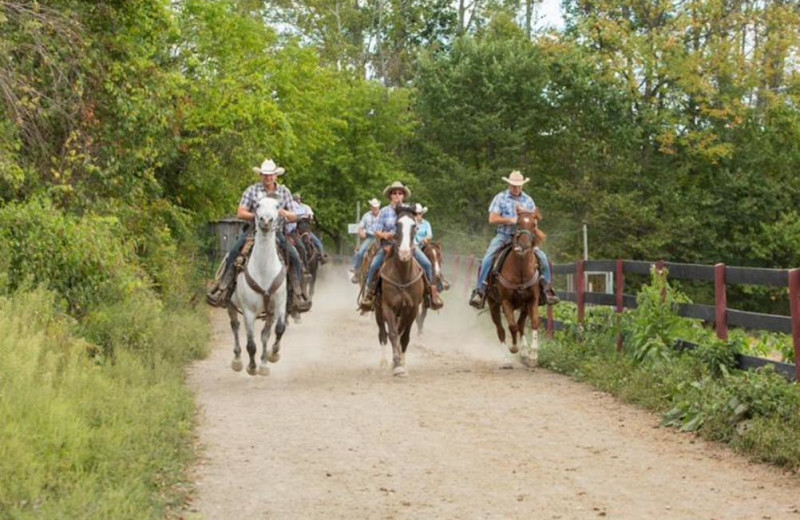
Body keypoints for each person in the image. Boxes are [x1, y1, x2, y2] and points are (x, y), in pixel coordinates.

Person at [209, 158, 311, 314]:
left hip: (277, 231)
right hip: (254, 231)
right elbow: (240, 212)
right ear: (261, 175)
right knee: (234, 252)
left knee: (295, 256)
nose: (268, 178)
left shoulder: (284, 192)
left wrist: (282, 213)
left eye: (271, 175)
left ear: (276, 176)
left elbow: (295, 215)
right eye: (265, 175)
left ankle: (297, 293)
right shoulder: (252, 190)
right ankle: (224, 289)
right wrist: (257, 216)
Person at [468, 170, 559, 309]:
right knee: (487, 259)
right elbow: (492, 218)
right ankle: (480, 291)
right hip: (504, 235)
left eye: (519, 186)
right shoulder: (500, 198)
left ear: (522, 185)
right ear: (509, 184)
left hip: (524, 238)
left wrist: (530, 229)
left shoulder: (528, 200)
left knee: (543, 258)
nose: (516, 188)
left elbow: (534, 221)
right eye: (514, 185)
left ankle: (546, 290)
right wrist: (510, 220)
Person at [358, 181, 443, 312]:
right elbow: (376, 230)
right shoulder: (384, 211)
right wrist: (385, 235)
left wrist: (411, 238)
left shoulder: (409, 210)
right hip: (388, 246)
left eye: (400, 193)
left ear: (403, 196)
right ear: (390, 196)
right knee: (374, 264)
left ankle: (432, 294)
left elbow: (415, 227)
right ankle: (369, 293)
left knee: (427, 264)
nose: (397, 195)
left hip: (408, 245)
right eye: (394, 193)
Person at [286, 193, 330, 264]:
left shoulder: (306, 207)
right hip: (296, 228)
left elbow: (311, 216)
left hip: (305, 227)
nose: (297, 201)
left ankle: (322, 257)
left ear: (300, 199)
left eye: (298, 199)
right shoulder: (291, 208)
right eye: (295, 199)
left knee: (317, 242)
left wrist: (305, 217)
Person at [349, 198, 381, 283]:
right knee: (360, 252)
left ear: (379, 207)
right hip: (370, 237)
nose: (375, 209)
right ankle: (357, 272)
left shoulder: (383, 215)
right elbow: (361, 226)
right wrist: (361, 232)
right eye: (373, 207)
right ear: (371, 207)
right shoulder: (366, 215)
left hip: (381, 237)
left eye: (376, 207)